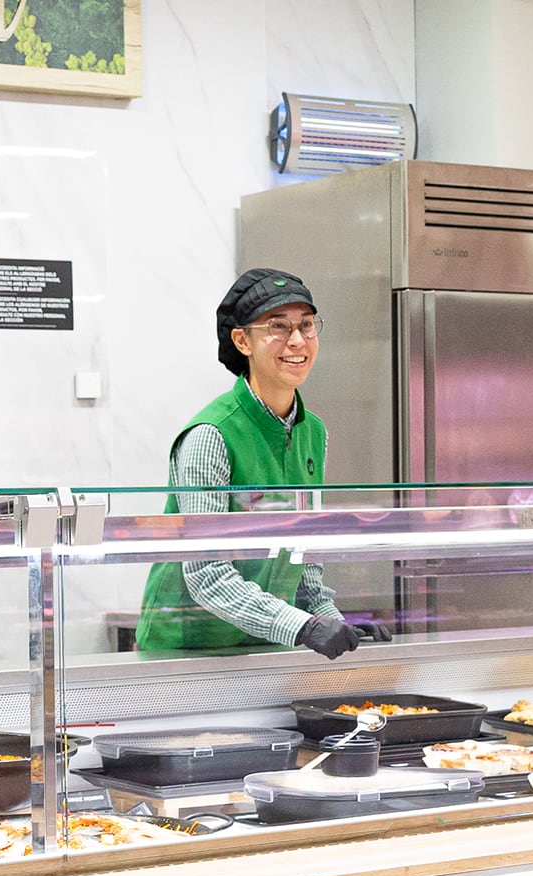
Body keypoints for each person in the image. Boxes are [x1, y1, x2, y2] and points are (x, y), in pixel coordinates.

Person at [137, 267, 388, 659]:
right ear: (242, 341)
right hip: (188, 652)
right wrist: (303, 626)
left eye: (307, 325)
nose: (297, 341)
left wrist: (331, 620)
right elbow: (207, 573)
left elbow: (302, 556)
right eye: (278, 327)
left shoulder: (313, 432)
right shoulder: (211, 435)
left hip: (267, 646)